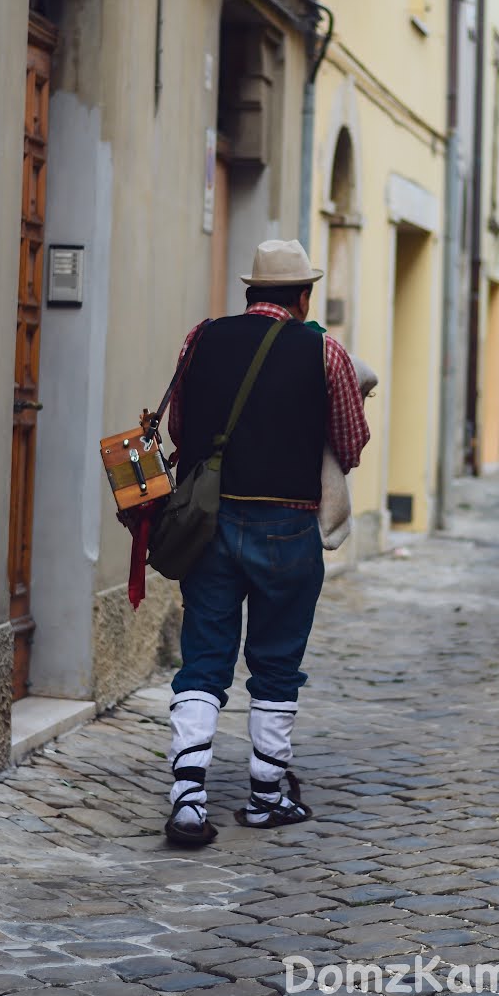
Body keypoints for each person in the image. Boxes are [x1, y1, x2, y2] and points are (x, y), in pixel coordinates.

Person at [160, 239, 370, 848]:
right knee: (276, 663)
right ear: (302, 297)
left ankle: (189, 799)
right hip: (288, 524)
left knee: (203, 657)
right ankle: (266, 795)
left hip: (209, 522)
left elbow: (179, 428)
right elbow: (350, 445)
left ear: (251, 293)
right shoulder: (323, 350)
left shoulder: (201, 338)